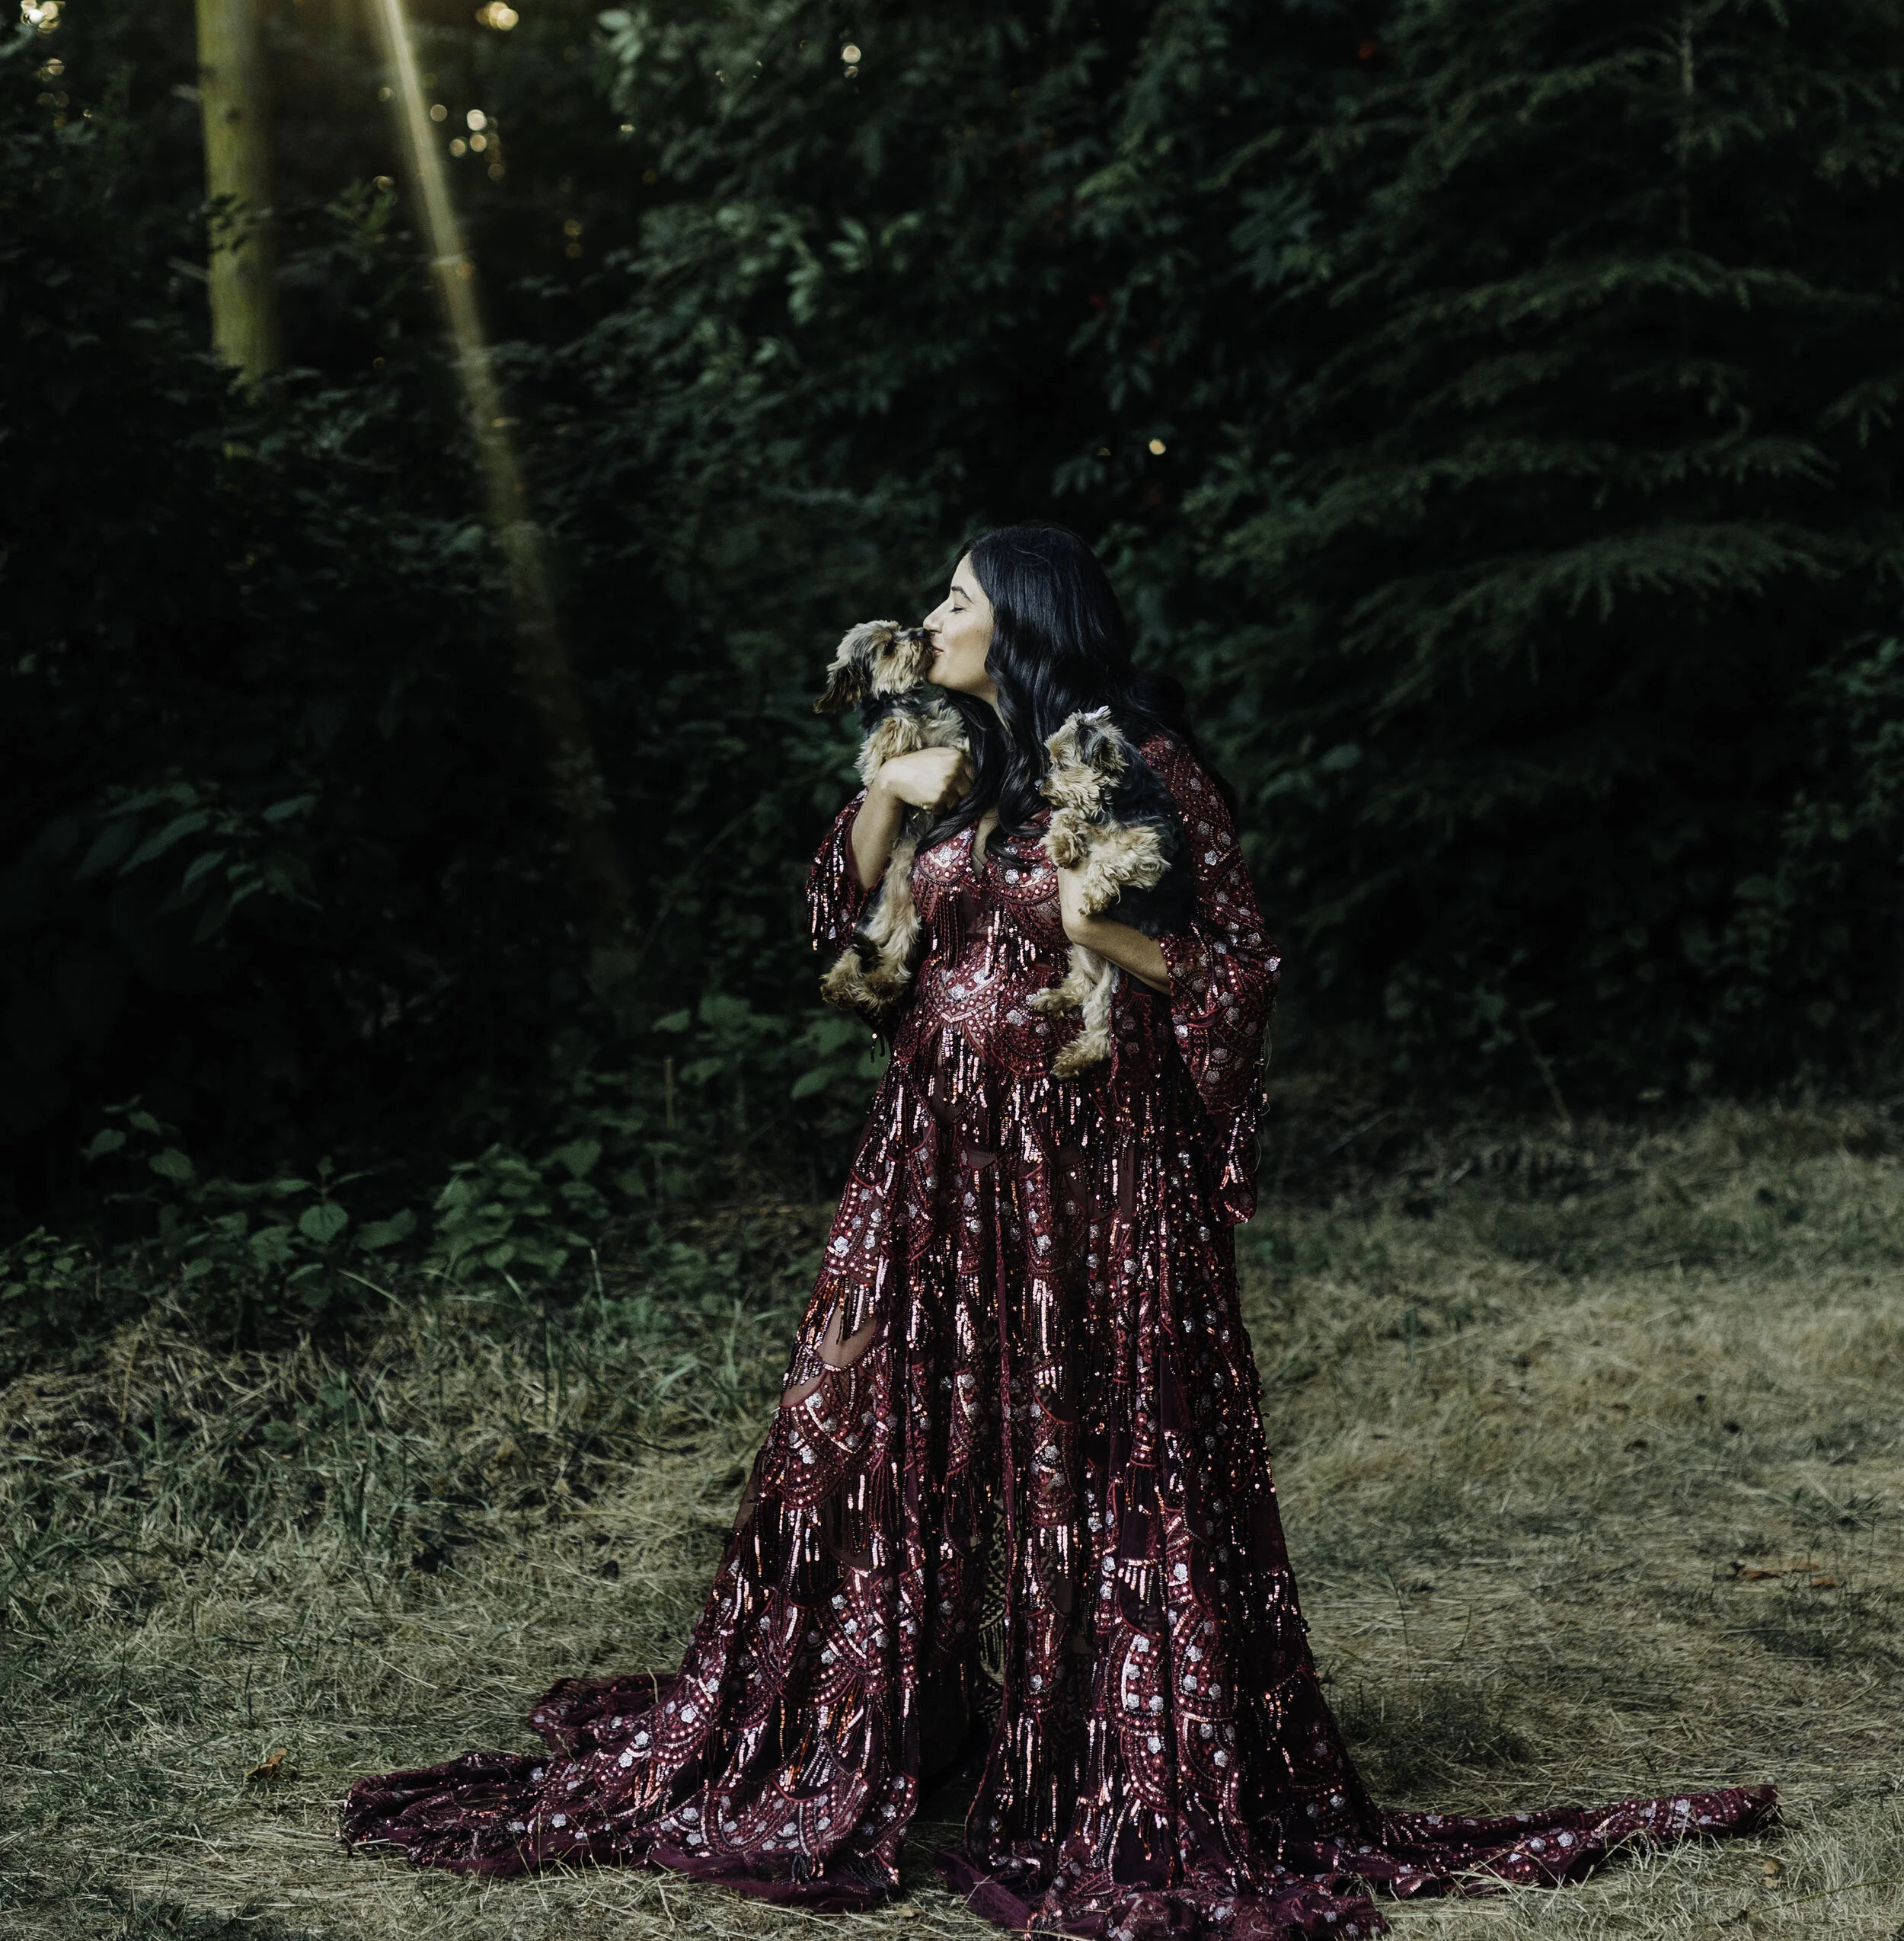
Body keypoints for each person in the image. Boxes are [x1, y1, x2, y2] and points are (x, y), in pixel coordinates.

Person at [342, 525, 1772, 1939]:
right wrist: (888, 801)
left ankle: (1101, 1742)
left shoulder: (1144, 767)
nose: (931, 613)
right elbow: (838, 924)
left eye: (957, 596)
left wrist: (1112, 937)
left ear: (1023, 620)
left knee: (1092, 1436)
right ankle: (876, 1721)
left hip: (1088, 1177)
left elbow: (1238, 974)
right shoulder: (956, 763)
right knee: (874, 1424)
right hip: (933, 1158)